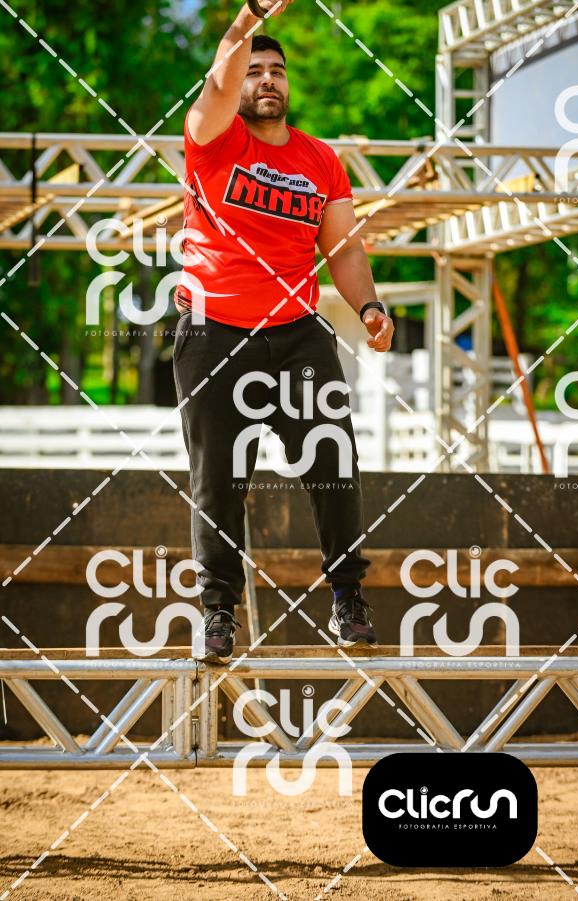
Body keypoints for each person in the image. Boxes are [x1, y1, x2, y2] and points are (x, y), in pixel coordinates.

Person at [173, 0, 394, 663]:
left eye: (277, 71)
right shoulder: (211, 137)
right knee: (219, 480)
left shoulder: (320, 159)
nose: (266, 79)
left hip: (297, 334)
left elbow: (343, 247)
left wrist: (370, 307)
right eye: (254, 70)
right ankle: (218, 613)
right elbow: (218, 84)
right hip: (214, 334)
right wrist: (245, 21)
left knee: (334, 460)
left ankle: (348, 597)